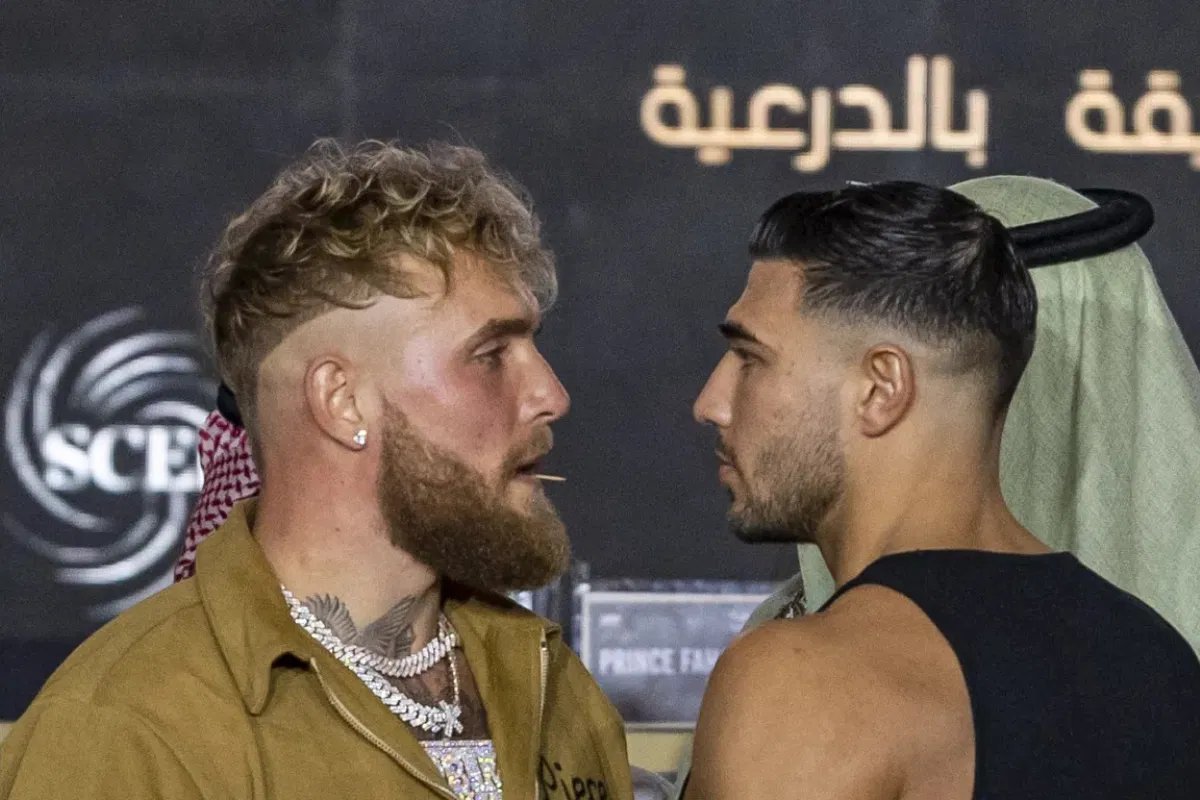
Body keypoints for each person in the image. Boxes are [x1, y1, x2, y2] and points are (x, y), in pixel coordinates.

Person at [0, 140, 633, 800]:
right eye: (490, 355)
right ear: (342, 400)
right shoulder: (129, 728)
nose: (551, 395)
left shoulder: (552, 684)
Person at [684, 181, 1200, 799]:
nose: (710, 404)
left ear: (881, 388)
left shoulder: (807, 681)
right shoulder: (1159, 660)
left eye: (750, 358)